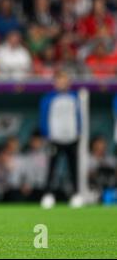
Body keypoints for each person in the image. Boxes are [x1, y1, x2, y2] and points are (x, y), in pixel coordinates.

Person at [40, 70, 81, 208]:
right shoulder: (48, 98)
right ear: (55, 82)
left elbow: (78, 116)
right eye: (60, 80)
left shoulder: (75, 97)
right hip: (55, 139)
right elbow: (44, 117)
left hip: (71, 138)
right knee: (52, 168)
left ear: (69, 82)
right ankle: (48, 195)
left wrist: (78, 132)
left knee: (73, 168)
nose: (62, 83)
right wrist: (46, 135)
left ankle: (76, 195)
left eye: (65, 80)